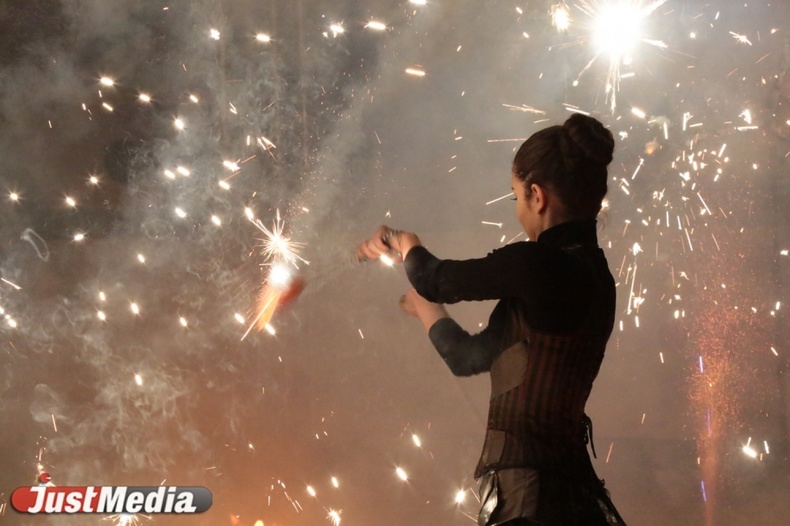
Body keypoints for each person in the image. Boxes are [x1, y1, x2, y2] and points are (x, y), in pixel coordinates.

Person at [356, 113, 627, 525]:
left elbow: (436, 279)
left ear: (537, 196)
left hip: (529, 502)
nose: (518, 210)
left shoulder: (540, 265)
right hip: (571, 497)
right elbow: (467, 356)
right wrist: (428, 309)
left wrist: (403, 241)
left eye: (516, 197)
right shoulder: (596, 277)